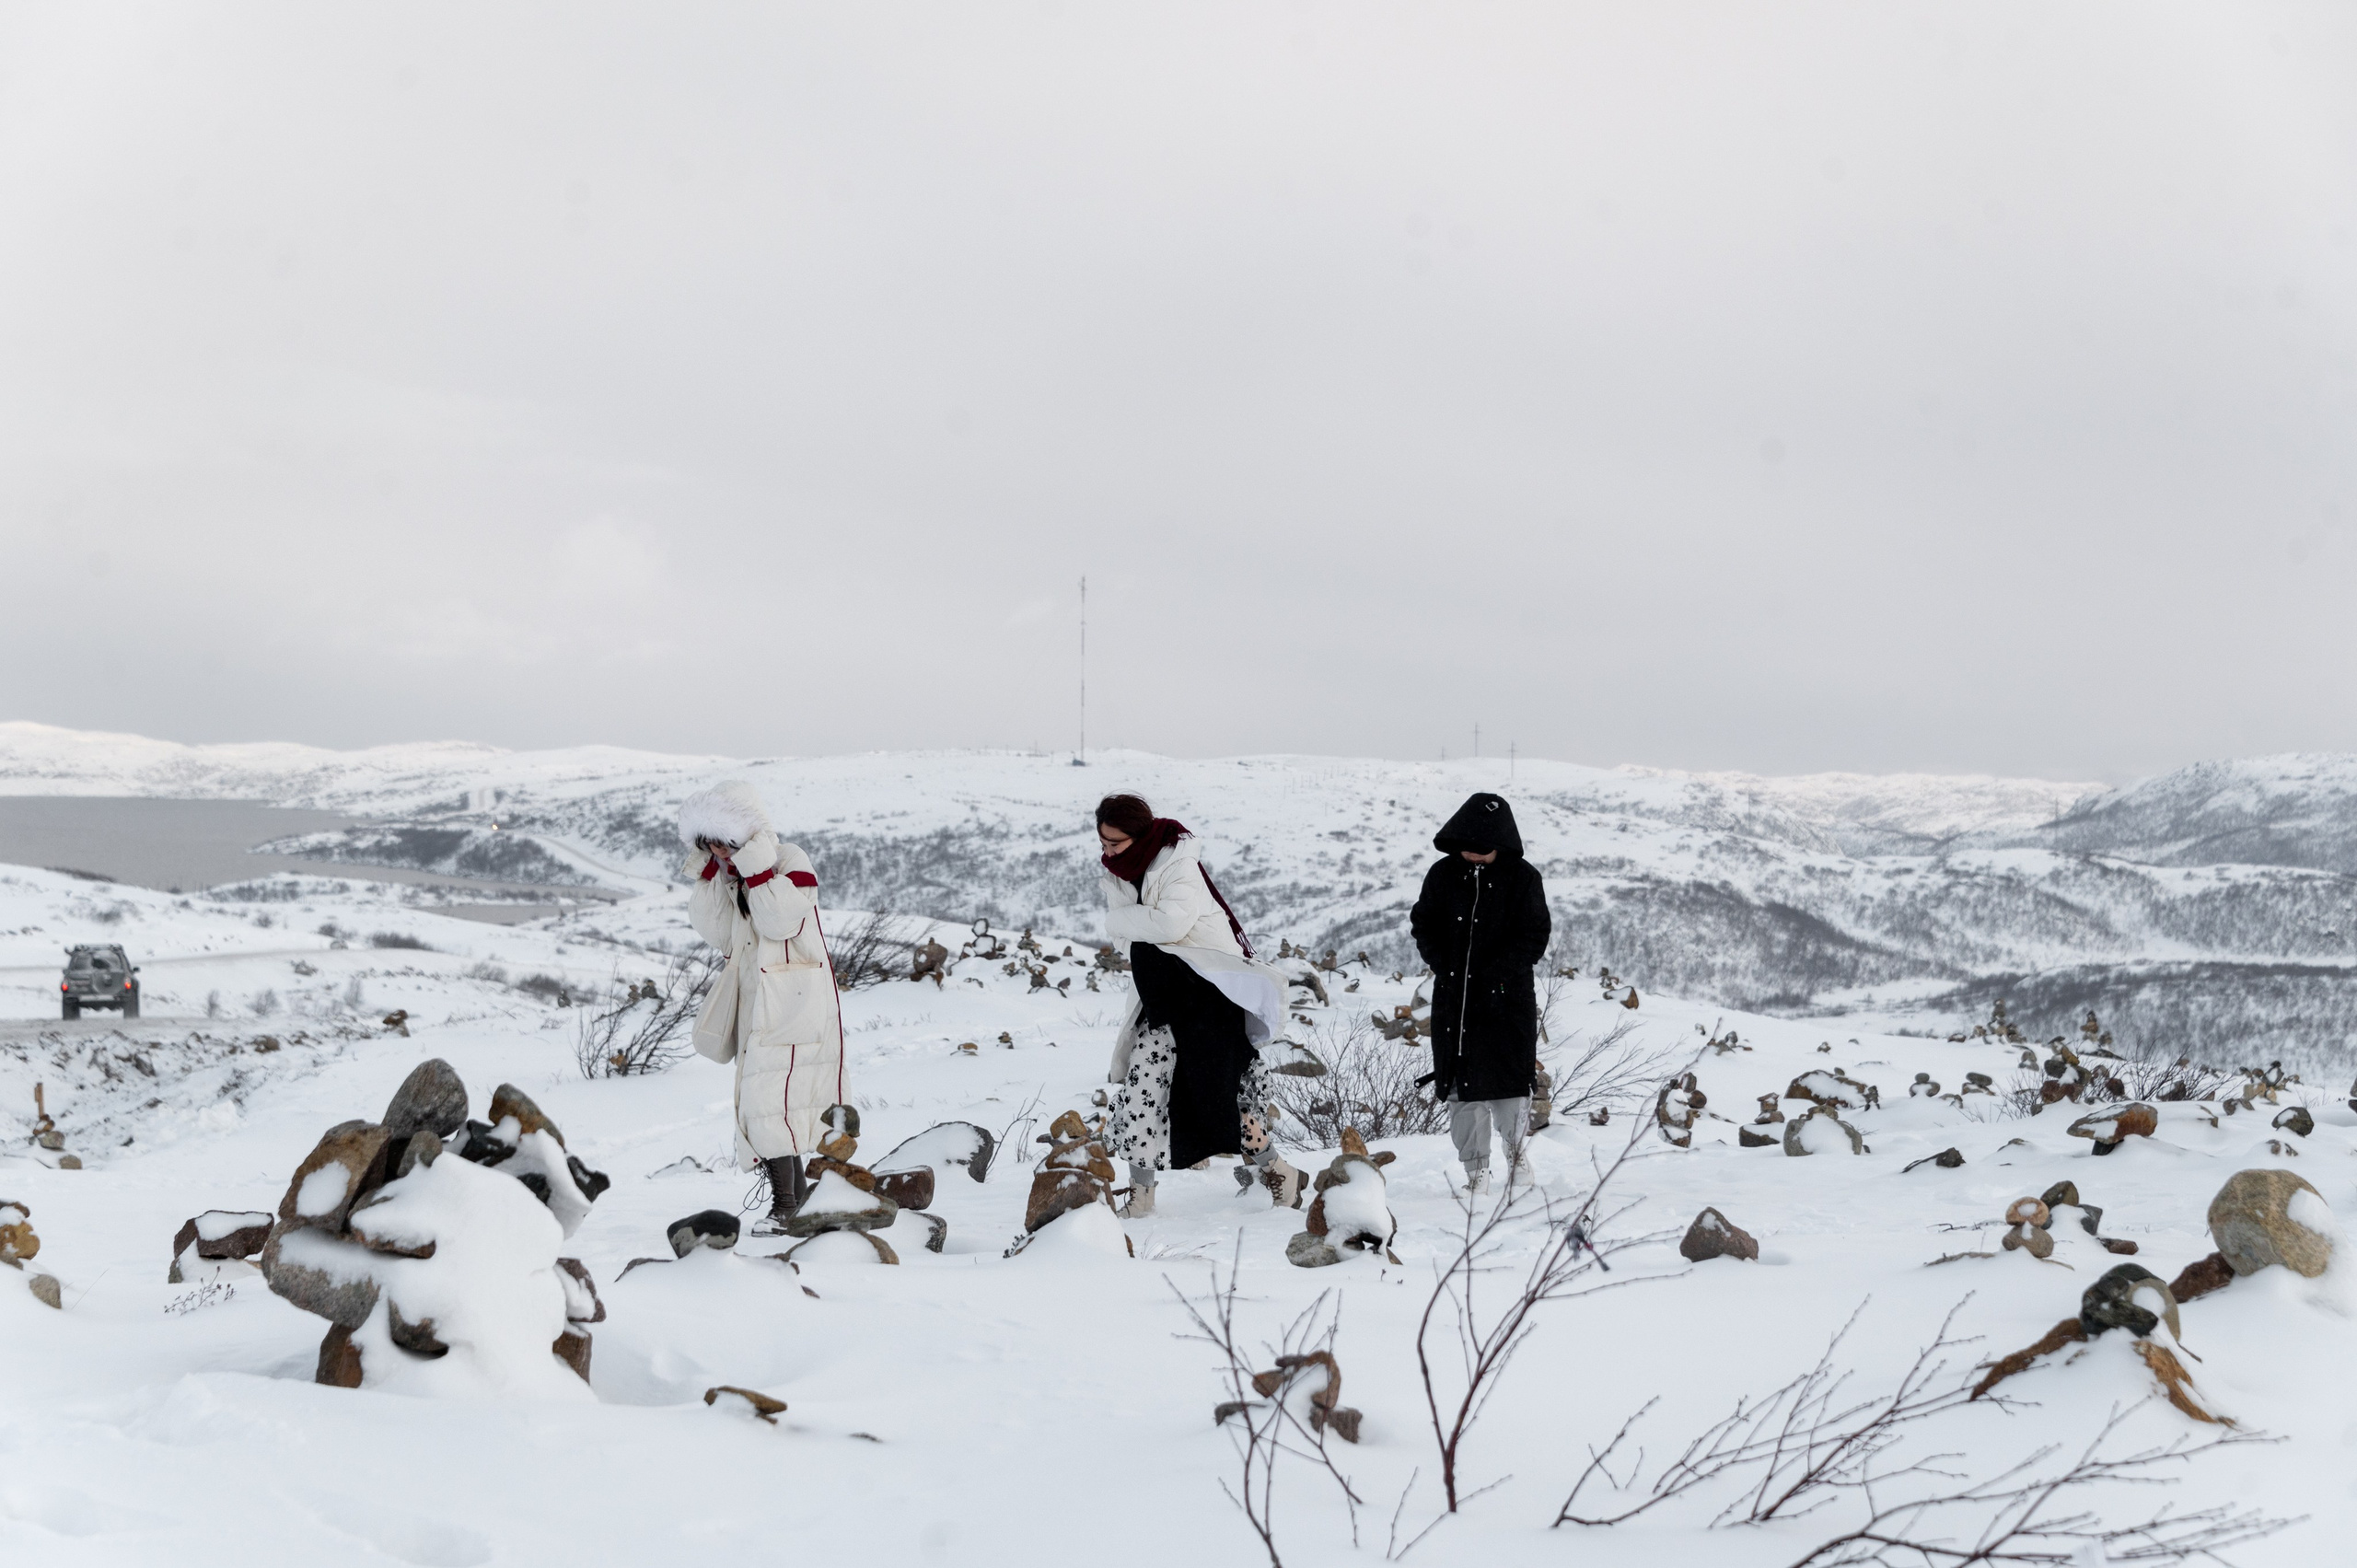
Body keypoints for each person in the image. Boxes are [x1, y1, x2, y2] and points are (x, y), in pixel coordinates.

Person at [1097, 793, 1306, 1217]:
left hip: (1208, 999)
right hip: (1160, 999)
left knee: (1222, 1096)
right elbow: (1126, 941)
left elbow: (1170, 924)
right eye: (1103, 843)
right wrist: (1143, 930)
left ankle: (1279, 1173)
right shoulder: (1118, 876)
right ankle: (1141, 1197)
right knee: (1143, 1091)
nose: (1108, 853)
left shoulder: (1178, 864)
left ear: (1139, 836)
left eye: (1115, 843)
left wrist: (1127, 923)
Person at [679, 780, 846, 1236]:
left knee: (770, 1103)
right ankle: (794, 1202)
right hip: (759, 1001)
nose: (719, 852)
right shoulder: (731, 877)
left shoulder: (789, 860)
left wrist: (754, 869)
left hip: (794, 1002)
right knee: (767, 1104)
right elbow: (716, 932)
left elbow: (780, 921)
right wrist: (711, 877)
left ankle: (786, 1205)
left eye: (724, 842)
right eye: (708, 844)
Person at [1410, 792, 1550, 1194]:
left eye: (1480, 849)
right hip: (1454, 999)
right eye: (1465, 847)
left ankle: (1517, 1155)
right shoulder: (1441, 874)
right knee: (1461, 1089)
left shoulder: (1523, 878)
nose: (1471, 854)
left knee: (1509, 1086)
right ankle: (1476, 1172)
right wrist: (1443, 964)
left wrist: (1496, 976)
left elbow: (1534, 936)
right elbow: (1423, 923)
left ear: (1499, 844)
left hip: (1506, 1000)